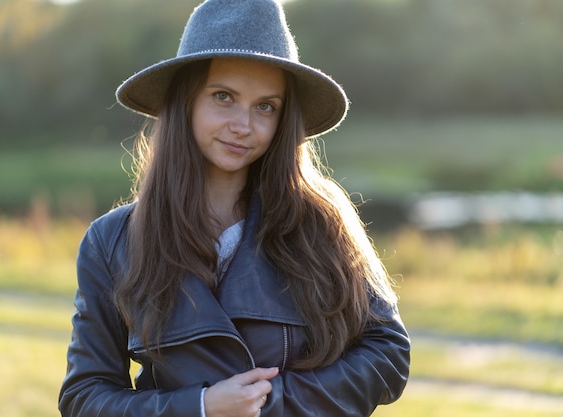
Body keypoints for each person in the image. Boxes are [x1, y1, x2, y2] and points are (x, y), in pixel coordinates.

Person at [59, 0, 410, 416]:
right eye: (223, 97)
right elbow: (85, 398)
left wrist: (268, 404)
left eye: (265, 106)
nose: (243, 125)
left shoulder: (321, 220)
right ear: (185, 100)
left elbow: (387, 353)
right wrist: (203, 407)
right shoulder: (111, 242)